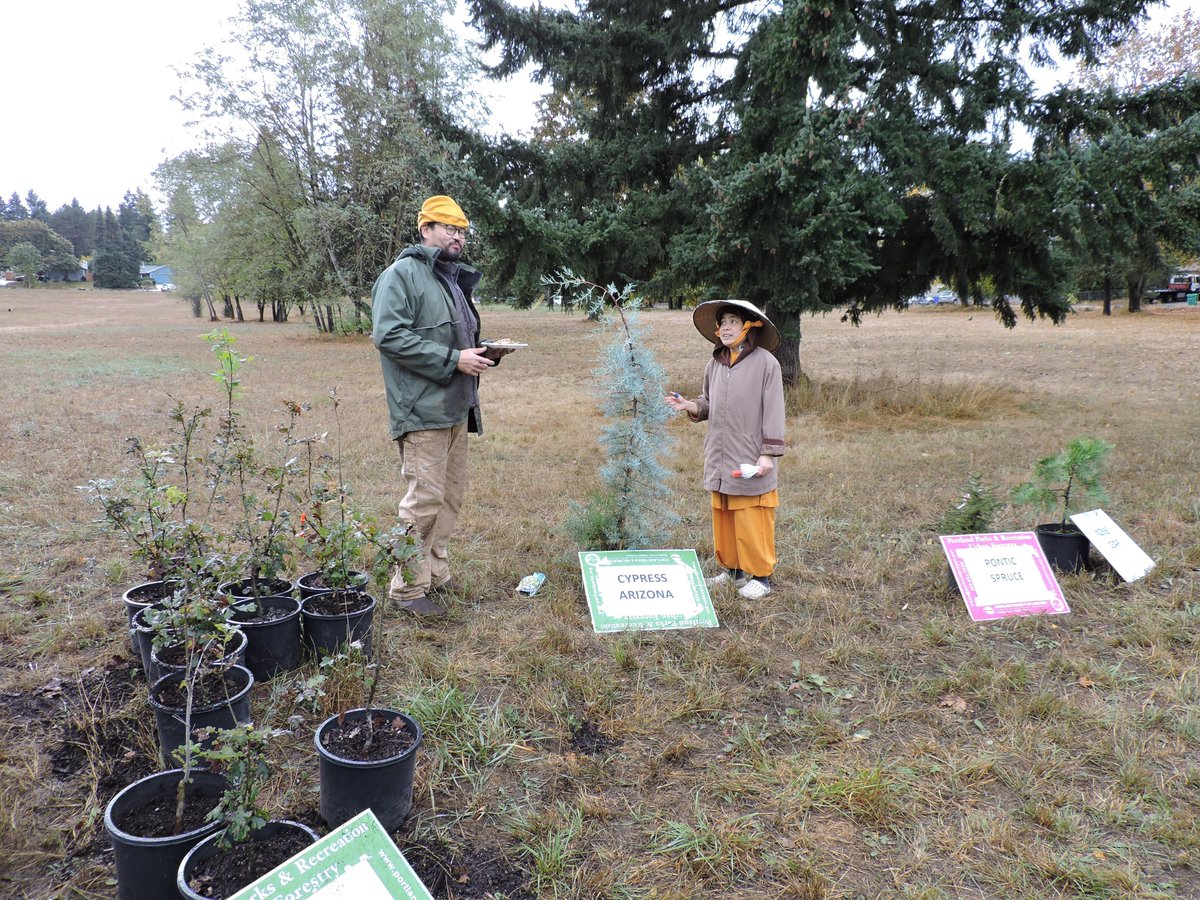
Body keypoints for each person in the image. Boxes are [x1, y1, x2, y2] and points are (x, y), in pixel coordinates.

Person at [371, 195, 512, 616]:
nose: (458, 236)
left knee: (449, 498)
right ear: (425, 229)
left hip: (456, 405)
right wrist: (453, 359)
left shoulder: (450, 280)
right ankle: (408, 590)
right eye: (448, 227)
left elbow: (452, 339)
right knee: (424, 500)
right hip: (422, 409)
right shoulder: (402, 275)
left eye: (462, 230)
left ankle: (435, 573)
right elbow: (389, 336)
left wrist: (481, 353)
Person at [665, 299, 786, 600]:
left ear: (749, 326)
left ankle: (761, 575)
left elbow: (774, 411)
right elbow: (707, 404)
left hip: (750, 456)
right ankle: (732, 571)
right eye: (723, 323)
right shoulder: (714, 364)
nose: (726, 328)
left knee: (751, 514)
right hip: (720, 456)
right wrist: (689, 405)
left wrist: (767, 453)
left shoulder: (766, 364)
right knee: (724, 513)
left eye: (733, 321)